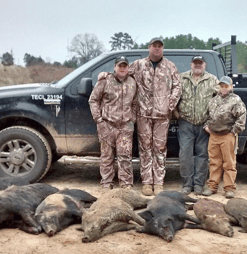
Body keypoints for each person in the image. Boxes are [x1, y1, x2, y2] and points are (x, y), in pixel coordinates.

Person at [129, 37, 181, 196]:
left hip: (162, 116)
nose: (157, 49)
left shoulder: (170, 66)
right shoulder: (138, 65)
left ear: (162, 49)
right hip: (143, 114)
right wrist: (104, 75)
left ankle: (158, 182)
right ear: (149, 47)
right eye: (154, 46)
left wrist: (169, 105)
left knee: (159, 149)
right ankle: (146, 182)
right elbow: (121, 74)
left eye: (159, 46)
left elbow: (177, 86)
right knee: (145, 148)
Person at [88, 56, 137, 190]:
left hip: (125, 127)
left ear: (128, 68)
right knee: (106, 157)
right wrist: (99, 120)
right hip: (107, 125)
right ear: (115, 67)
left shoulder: (133, 82)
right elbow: (93, 100)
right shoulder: (105, 81)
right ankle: (107, 183)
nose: (122, 68)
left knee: (125, 158)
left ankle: (126, 185)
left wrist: (132, 120)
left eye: (125, 66)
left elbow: (135, 103)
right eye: (119, 66)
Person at [176, 55, 219, 195]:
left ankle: (199, 184)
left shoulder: (212, 80)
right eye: (195, 63)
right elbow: (172, 96)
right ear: (191, 64)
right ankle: (187, 185)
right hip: (186, 123)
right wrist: (175, 113)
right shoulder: (181, 78)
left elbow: (222, 100)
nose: (198, 65)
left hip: (204, 125)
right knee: (185, 155)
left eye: (200, 63)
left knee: (202, 155)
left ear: (205, 65)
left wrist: (212, 122)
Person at [202, 76, 246, 199]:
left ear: (231, 87)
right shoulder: (213, 100)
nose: (224, 88)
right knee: (214, 162)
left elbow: (242, 116)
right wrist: (206, 127)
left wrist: (233, 131)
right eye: (222, 86)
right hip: (213, 135)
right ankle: (212, 186)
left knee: (229, 163)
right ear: (219, 87)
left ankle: (229, 188)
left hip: (228, 135)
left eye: (226, 86)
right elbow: (206, 115)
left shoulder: (235, 100)